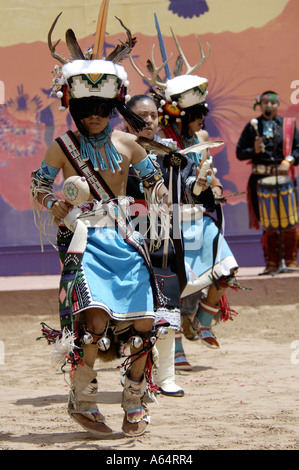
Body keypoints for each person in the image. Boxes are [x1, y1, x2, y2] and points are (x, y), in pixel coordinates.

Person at [30, 14, 170, 438]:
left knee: (145, 320)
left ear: (112, 107)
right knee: (92, 320)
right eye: (85, 109)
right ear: (73, 107)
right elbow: (38, 182)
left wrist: (160, 193)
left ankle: (133, 403)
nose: (93, 117)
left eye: (101, 108)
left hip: (126, 238)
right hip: (84, 239)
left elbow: (153, 179)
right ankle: (84, 401)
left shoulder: (128, 142)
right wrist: (53, 202)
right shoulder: (63, 146)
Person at [129, 30, 240, 369]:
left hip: (192, 219)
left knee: (226, 270)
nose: (200, 121)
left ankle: (202, 321)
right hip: (155, 223)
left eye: (201, 113)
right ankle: (173, 346)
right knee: (171, 286)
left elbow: (197, 181)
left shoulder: (191, 141)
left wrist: (210, 186)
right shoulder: (145, 144)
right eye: (193, 115)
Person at [124, 94, 218, 396]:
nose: (149, 121)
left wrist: (200, 184)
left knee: (167, 309)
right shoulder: (115, 151)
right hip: (128, 238)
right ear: (127, 119)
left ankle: (165, 377)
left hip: (166, 237)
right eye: (141, 115)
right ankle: (136, 377)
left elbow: (188, 191)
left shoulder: (172, 154)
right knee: (136, 315)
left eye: (153, 115)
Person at [236, 91, 299, 273]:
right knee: (268, 222)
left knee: (290, 221)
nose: (269, 106)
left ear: (277, 105)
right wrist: (254, 151)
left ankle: (291, 260)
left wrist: (288, 161)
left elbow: (298, 149)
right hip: (260, 180)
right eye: (265, 102)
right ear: (260, 105)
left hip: (284, 178)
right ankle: (272, 263)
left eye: (272, 102)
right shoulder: (252, 127)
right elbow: (240, 153)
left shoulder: (287, 125)